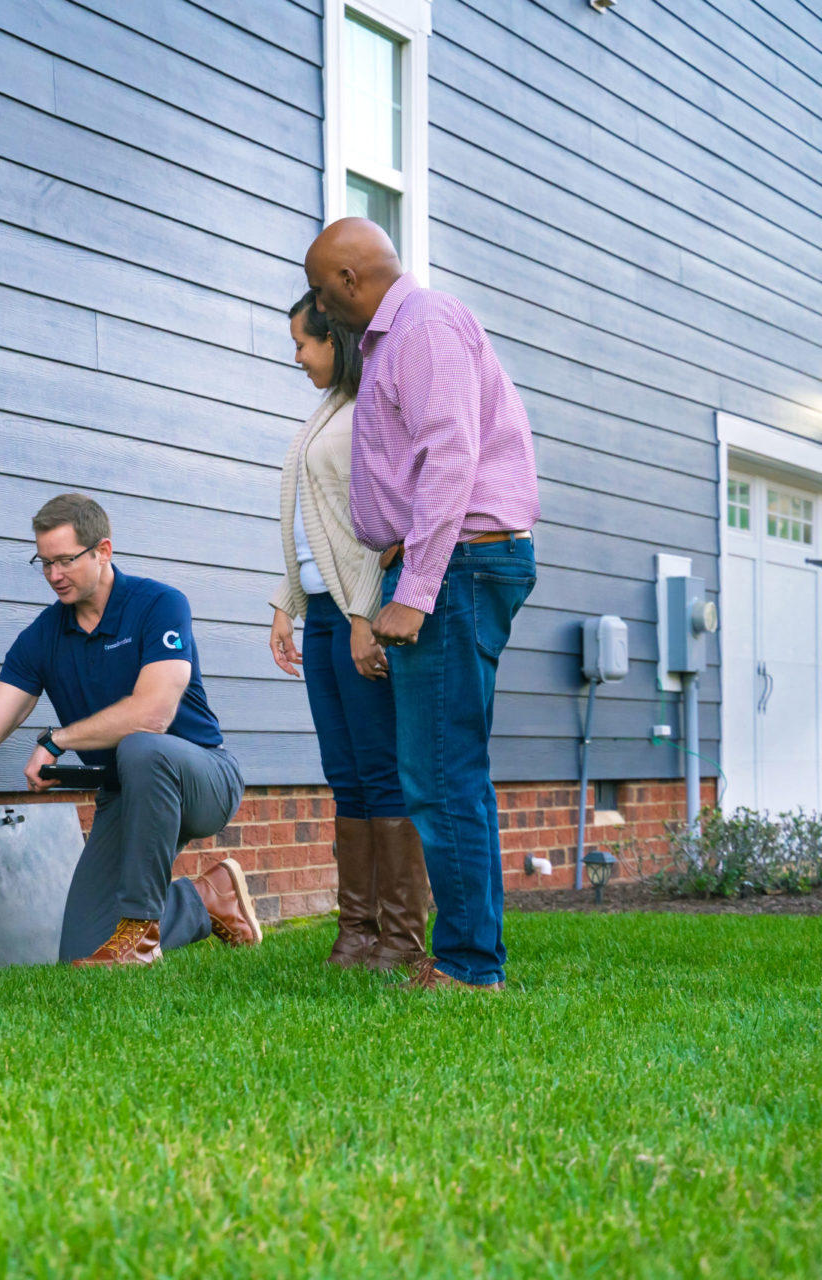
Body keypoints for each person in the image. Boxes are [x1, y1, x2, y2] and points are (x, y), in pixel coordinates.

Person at [303, 217, 541, 992]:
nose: (318, 309)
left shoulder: (423, 323)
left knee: (442, 774)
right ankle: (467, 956)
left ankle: (472, 968)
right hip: (450, 564)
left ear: (345, 281)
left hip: (460, 567)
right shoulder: (392, 339)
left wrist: (415, 591)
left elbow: (451, 458)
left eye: (319, 289)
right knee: (435, 772)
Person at [0, 494, 262, 967]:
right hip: (125, 795)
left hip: (201, 778)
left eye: (65, 560)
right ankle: (206, 898)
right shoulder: (43, 637)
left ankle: (141, 937)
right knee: (82, 955)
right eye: (44, 563)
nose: (54, 575)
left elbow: (153, 715)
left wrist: (56, 740)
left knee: (144, 747)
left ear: (103, 550)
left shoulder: (159, 604)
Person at [269, 290, 429, 971]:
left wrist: (366, 613)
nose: (297, 356)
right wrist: (286, 598)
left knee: (380, 771)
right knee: (346, 775)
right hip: (324, 612)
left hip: (359, 610)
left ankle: (399, 938)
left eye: (304, 343)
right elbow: (315, 518)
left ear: (335, 338)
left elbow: (375, 526)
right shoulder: (329, 408)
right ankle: (357, 933)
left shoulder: (371, 408)